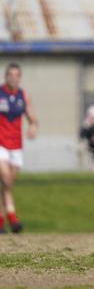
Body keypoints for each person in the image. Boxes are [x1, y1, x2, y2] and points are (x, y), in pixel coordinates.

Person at [0, 63, 38, 233]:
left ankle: (7, 221)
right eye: (10, 75)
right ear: (5, 77)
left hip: (16, 146)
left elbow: (32, 118)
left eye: (16, 75)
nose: (13, 78)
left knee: (8, 185)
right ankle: (12, 218)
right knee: (6, 179)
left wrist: (33, 127)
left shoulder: (23, 96)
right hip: (1, 143)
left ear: (19, 78)